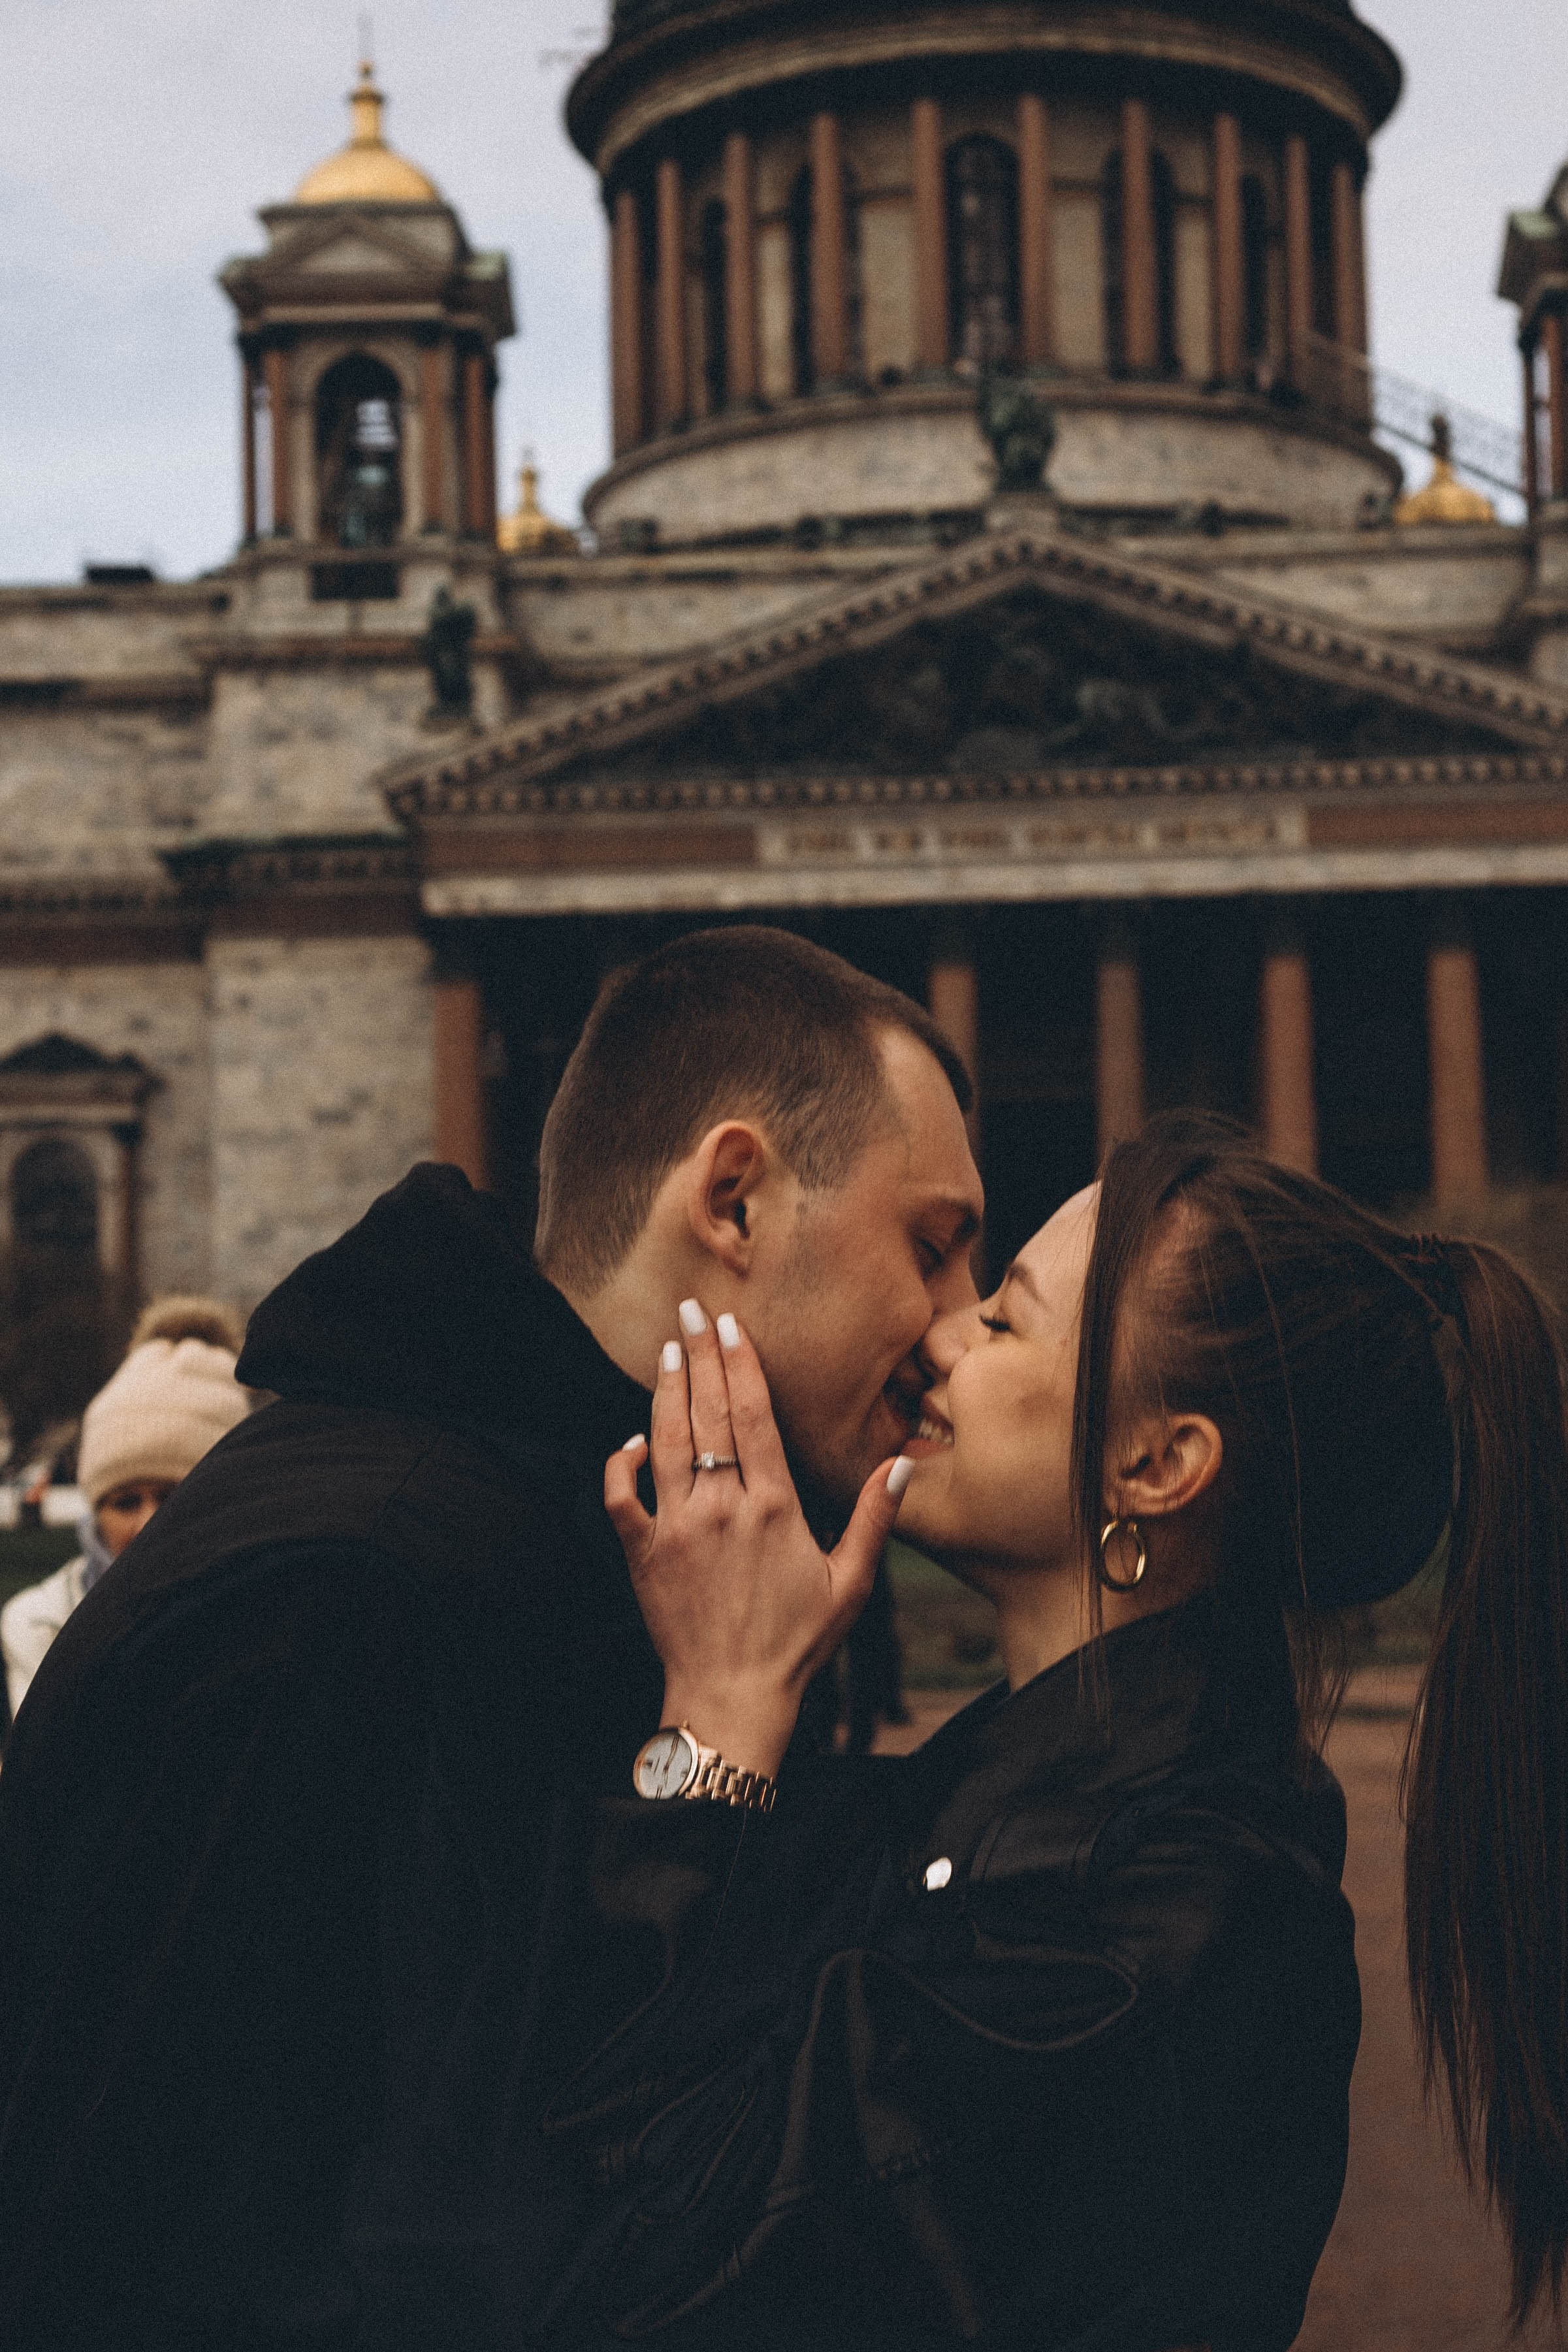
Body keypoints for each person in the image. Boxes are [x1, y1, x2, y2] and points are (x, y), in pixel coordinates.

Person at [0, 926, 982, 2351]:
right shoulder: (338, 1596)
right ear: (734, 1198)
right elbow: (173, 2254)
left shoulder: (561, 1551)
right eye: (933, 1247)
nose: (958, 1326)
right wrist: (710, 1755)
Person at [529, 1110, 1568, 2348]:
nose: (939, 1334)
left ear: (1156, 1466)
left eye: (1004, 1319)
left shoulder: (1158, 1926)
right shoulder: (1031, 1804)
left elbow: (655, 2267)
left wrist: (719, 1713)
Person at [1, 1296, 254, 1732]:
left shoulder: (272, 1620)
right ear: (96, 1511)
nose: (149, 1523)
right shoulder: (42, 1624)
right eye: (125, 1502)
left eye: (172, 1498)